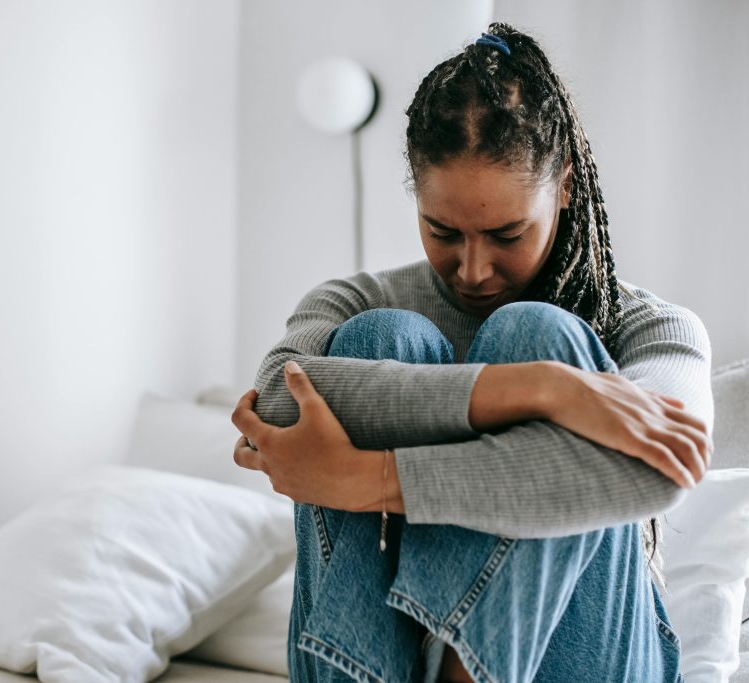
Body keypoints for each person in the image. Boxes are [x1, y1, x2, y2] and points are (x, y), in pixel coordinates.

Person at [230, 23, 713, 683]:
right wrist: (542, 389)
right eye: (442, 231)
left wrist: (366, 478)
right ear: (416, 194)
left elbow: (662, 471)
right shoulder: (353, 299)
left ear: (565, 186)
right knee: (381, 339)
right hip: (380, 660)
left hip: (582, 658)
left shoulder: (647, 326)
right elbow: (277, 404)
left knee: (540, 331)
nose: (474, 269)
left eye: (507, 232)